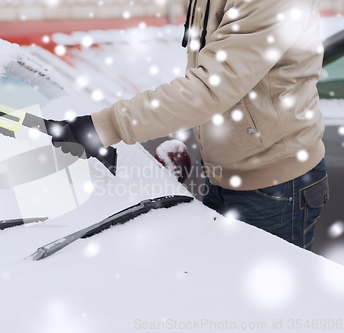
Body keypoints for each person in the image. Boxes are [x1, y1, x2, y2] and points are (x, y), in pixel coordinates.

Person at [51, 0, 329, 251]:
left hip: (275, 188)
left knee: (263, 300)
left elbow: (210, 88)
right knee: (221, 293)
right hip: (225, 174)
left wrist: (108, 126)